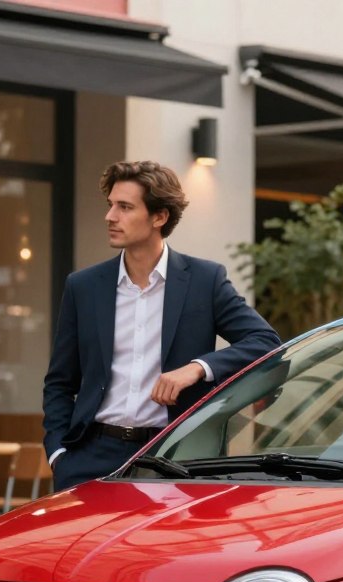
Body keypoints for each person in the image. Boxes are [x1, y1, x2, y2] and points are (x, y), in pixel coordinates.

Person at [42, 160, 281, 491]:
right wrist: (59, 454)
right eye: (111, 205)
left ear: (159, 217)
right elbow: (60, 381)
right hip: (90, 458)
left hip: (175, 456)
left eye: (125, 207)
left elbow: (265, 342)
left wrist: (197, 369)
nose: (110, 216)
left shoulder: (204, 281)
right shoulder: (83, 287)